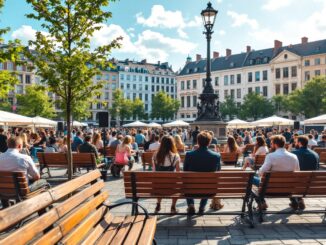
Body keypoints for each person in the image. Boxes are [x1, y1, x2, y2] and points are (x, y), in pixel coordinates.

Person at [0, 137, 49, 206]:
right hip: (21, 190)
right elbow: (37, 177)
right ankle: (43, 207)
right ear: (19, 146)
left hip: (2, 190)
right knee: (44, 182)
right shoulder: (25, 158)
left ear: (8, 145)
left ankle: (6, 207)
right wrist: (30, 178)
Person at [255, 135, 300, 210]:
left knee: (251, 179)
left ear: (275, 145)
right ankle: (293, 200)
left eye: (271, 144)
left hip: (270, 189)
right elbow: (297, 171)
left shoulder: (271, 156)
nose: (270, 145)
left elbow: (261, 172)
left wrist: (258, 172)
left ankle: (262, 202)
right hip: (289, 190)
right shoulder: (294, 156)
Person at [184, 131, 221, 215]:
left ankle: (191, 204)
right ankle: (202, 206)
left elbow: (185, 172)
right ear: (209, 142)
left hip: (191, 190)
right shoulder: (216, 156)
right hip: (208, 190)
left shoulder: (189, 154)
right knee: (209, 183)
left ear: (197, 141)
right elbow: (218, 172)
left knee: (186, 182)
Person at [152, 136, 181, 214]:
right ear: (172, 144)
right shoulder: (175, 155)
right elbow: (178, 172)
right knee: (177, 186)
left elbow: (154, 170)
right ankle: (173, 206)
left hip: (159, 184)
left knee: (159, 183)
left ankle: (158, 204)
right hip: (171, 184)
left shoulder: (155, 155)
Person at [290, 135, 319, 210]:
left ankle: (294, 200)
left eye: (296, 142)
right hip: (313, 184)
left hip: (297, 182)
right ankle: (299, 199)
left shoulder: (294, 153)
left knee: (287, 180)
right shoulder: (315, 154)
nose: (295, 143)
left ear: (299, 143)